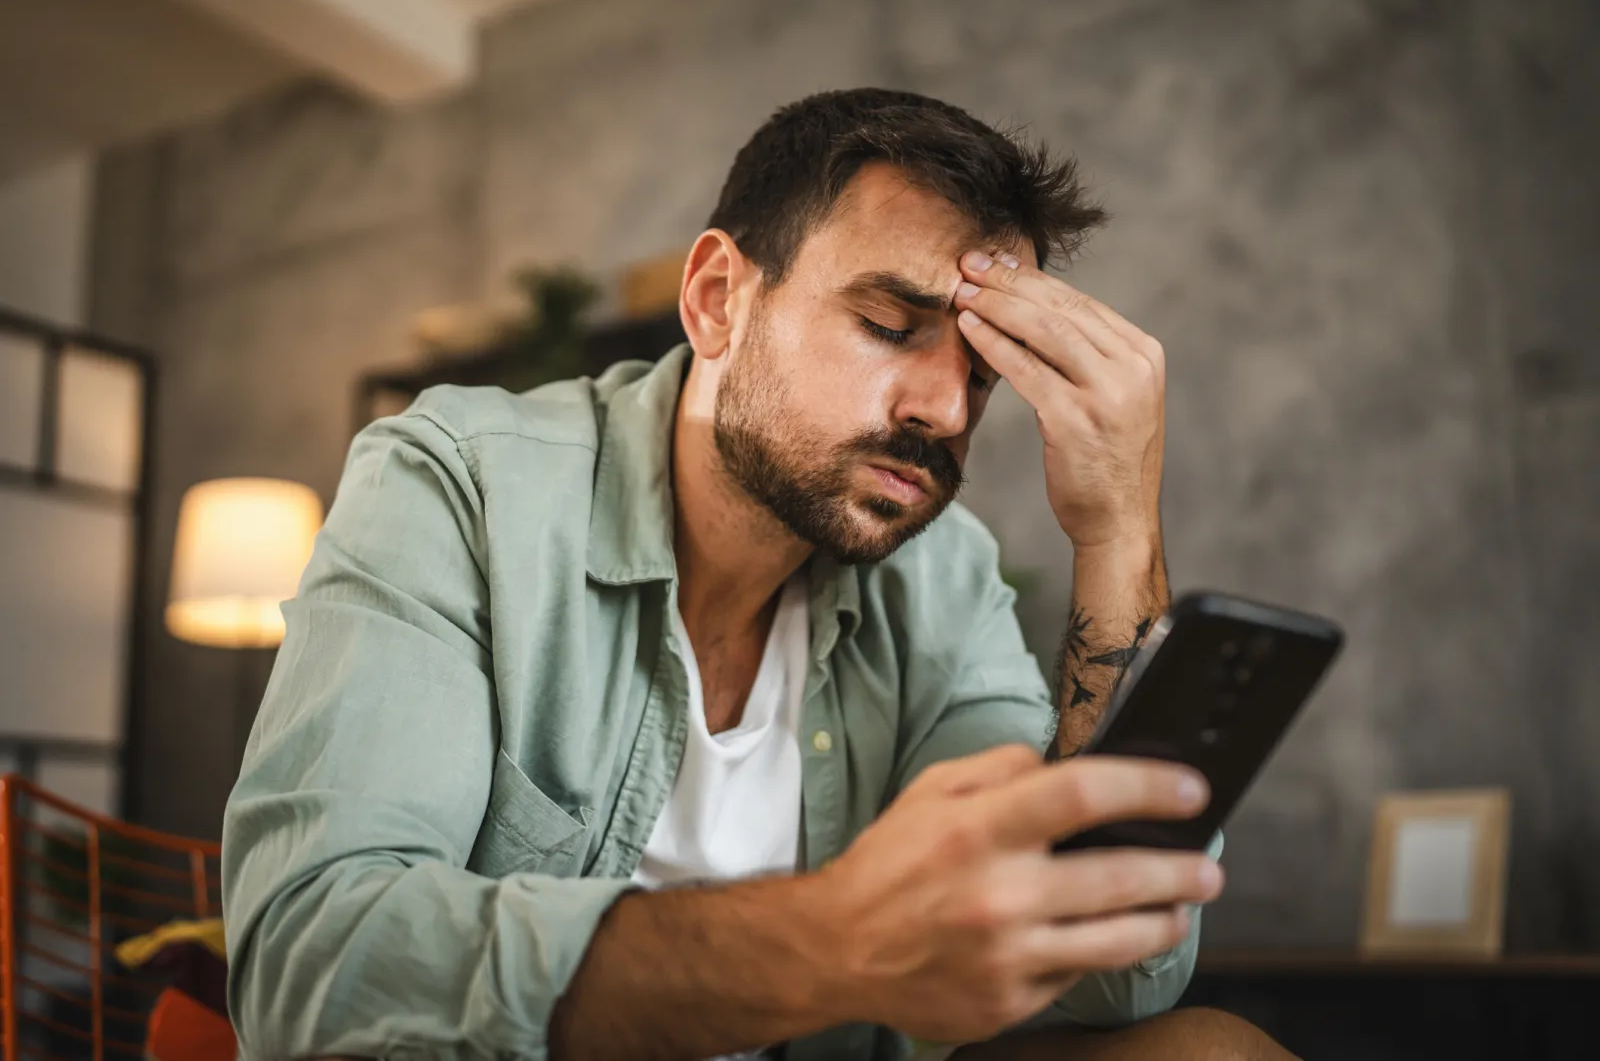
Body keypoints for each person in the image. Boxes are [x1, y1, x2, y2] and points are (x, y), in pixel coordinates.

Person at [223, 89, 1292, 1060]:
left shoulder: (942, 578)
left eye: (980, 369)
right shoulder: (462, 484)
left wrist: (1115, 534)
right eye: (887, 326)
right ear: (717, 299)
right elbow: (312, 966)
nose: (947, 409)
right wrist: (832, 942)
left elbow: (1110, 975)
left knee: (1208, 1052)